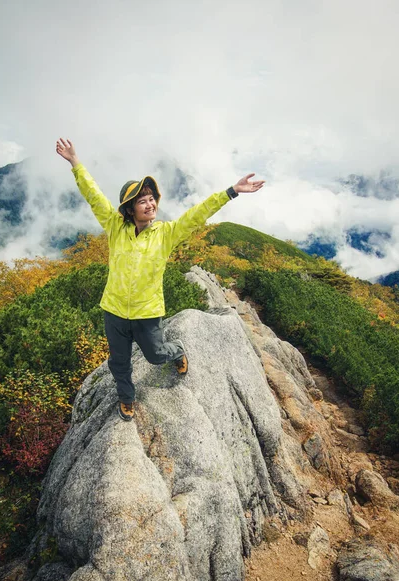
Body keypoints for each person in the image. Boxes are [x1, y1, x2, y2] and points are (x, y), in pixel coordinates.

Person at [56, 138, 265, 421]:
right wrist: (75, 163)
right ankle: (127, 398)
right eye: (142, 201)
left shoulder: (166, 233)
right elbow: (93, 196)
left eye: (152, 198)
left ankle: (177, 351)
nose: (150, 204)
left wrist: (231, 192)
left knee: (155, 355)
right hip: (114, 311)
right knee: (119, 363)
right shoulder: (115, 227)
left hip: (146, 313)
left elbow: (196, 216)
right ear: (130, 209)